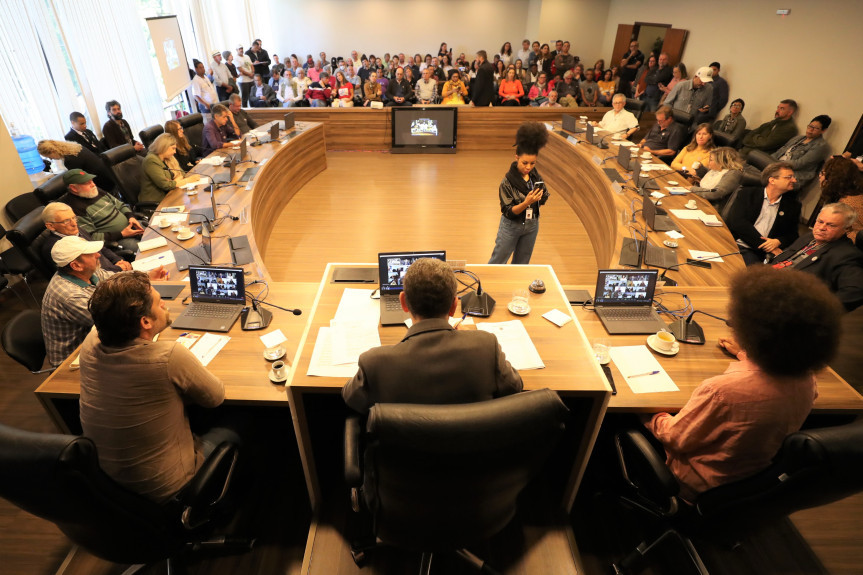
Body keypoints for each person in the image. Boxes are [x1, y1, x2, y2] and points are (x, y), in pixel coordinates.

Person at [646, 266, 842, 502]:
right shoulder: (808, 380)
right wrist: (747, 354)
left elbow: (674, 437)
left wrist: (648, 410)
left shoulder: (722, 391)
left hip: (696, 486)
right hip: (752, 485)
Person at [79, 271, 229, 503]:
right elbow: (215, 397)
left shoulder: (90, 344)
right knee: (243, 422)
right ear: (145, 322)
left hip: (111, 488)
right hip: (170, 490)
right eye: (160, 303)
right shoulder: (169, 356)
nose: (166, 306)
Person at [342, 258, 522, 414]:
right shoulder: (486, 346)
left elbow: (350, 398)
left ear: (403, 302)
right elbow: (515, 387)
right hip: (473, 451)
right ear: (454, 306)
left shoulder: (375, 362)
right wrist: (472, 339)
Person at [41, 236, 166, 367]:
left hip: (101, 343)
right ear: (76, 265)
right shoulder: (69, 296)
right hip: (73, 363)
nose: (97, 255)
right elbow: (115, 323)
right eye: (90, 254)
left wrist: (147, 276)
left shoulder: (89, 273)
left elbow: (119, 280)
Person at [770, 203, 863, 311]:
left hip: (785, 303)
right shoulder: (809, 237)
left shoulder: (847, 255)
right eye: (820, 221)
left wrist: (815, 310)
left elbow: (856, 291)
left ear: (846, 229)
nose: (822, 228)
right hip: (768, 281)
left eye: (831, 225)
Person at [488, 123, 550, 265]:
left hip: (532, 225)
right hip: (511, 227)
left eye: (533, 163)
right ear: (516, 157)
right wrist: (526, 203)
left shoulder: (535, 176)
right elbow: (508, 211)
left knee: (522, 264)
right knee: (498, 262)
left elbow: (545, 196)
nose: (529, 167)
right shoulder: (506, 182)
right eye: (525, 163)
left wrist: (541, 197)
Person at [727, 161, 801, 265]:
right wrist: (765, 245)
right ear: (772, 180)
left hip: (755, 253)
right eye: (789, 177)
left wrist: (778, 241)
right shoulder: (747, 194)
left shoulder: (793, 206)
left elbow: (793, 234)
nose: (794, 180)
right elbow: (738, 223)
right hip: (733, 242)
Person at [58, 170, 144, 250]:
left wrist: (131, 217)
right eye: (87, 183)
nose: (93, 184)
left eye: (92, 180)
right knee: (145, 249)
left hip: (132, 225)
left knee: (155, 235)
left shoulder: (95, 191)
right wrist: (122, 234)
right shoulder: (74, 208)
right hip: (118, 240)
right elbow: (91, 236)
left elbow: (120, 205)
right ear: (74, 188)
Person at [40, 202, 131, 274]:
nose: (74, 224)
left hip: (114, 270)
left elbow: (101, 249)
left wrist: (119, 260)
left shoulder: (77, 230)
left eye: (74, 218)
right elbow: (88, 272)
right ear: (51, 226)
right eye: (66, 221)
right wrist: (118, 268)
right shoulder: (57, 248)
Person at [764, 115, 833, 190]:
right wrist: (769, 160)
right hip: (776, 165)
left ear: (823, 130)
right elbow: (780, 151)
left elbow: (800, 163)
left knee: (761, 174)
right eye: (810, 126)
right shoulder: (798, 138)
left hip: (793, 174)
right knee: (754, 155)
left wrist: (775, 164)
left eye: (815, 128)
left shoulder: (821, 146)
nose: (810, 130)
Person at [140, 133, 200, 203]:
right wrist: (186, 180)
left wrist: (175, 181)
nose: (175, 152)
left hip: (172, 193)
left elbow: (181, 173)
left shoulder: (167, 157)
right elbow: (165, 185)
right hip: (156, 201)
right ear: (164, 147)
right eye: (173, 149)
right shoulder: (151, 160)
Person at [36, 139, 114, 192]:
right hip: (109, 177)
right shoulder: (77, 148)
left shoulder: (70, 160)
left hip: (102, 184)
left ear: (52, 151)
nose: (51, 159)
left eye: (49, 156)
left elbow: (78, 179)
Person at [820, 156, 863, 241]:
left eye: (823, 173)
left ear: (834, 178)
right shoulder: (841, 197)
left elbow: (857, 235)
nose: (820, 176)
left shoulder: (850, 203)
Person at [689, 147, 744, 212]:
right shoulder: (717, 169)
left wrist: (693, 189)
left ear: (721, 162)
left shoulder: (733, 174)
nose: (708, 162)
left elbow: (715, 192)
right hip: (703, 201)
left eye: (711, 160)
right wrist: (700, 169)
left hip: (713, 209)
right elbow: (711, 179)